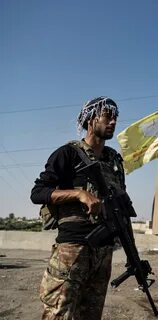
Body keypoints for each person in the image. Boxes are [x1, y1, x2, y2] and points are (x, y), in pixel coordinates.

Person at [31, 96, 126, 319]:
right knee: (58, 313)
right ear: (91, 120)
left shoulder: (114, 161)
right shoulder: (68, 154)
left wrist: (131, 252)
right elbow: (38, 193)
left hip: (103, 251)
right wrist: (79, 194)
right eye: (107, 116)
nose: (113, 121)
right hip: (72, 249)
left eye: (115, 117)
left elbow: (121, 206)